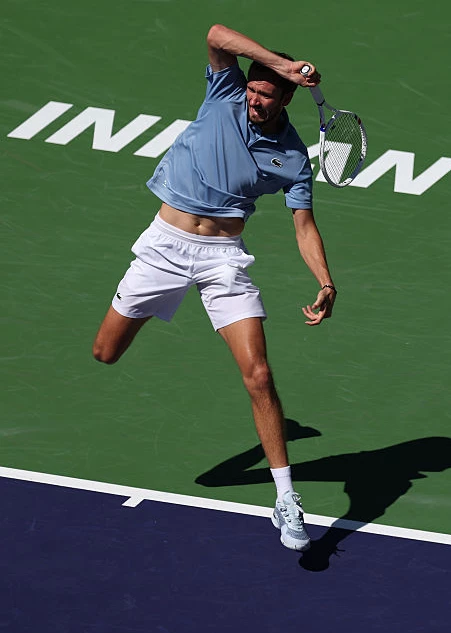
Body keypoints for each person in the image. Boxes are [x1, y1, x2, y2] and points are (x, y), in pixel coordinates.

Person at [92, 24, 335, 552]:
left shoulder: (294, 158)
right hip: (164, 247)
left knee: (259, 374)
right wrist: (281, 64)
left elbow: (304, 226)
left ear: (287, 99)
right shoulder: (225, 92)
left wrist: (325, 279)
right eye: (254, 88)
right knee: (105, 353)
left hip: (223, 260)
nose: (255, 99)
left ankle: (286, 499)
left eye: (267, 94)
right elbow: (217, 34)